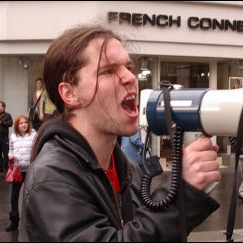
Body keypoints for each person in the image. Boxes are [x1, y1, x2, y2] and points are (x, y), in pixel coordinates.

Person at [19, 25, 220, 241]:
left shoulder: (129, 170)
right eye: (107, 71)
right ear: (70, 93)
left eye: (127, 67)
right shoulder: (52, 178)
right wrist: (180, 195)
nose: (130, 77)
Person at [6, 115, 37, 231]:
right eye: (21, 123)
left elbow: (37, 148)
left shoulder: (33, 135)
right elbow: (11, 150)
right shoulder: (13, 136)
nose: (24, 125)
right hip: (17, 170)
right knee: (14, 196)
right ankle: (14, 221)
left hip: (30, 170)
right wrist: (10, 155)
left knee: (31, 195)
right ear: (17, 125)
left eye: (25, 123)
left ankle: (31, 222)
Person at [0, 101, 13, 173]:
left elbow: (10, 123)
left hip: (4, 137)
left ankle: (5, 169)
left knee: (6, 153)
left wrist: (1, 123)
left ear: (3, 107)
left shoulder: (7, 115)